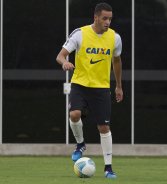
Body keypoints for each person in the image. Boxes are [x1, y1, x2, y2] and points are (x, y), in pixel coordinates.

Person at [56, 2, 123, 179]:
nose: (108, 22)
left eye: (110, 18)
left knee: (104, 127)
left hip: (101, 88)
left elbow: (117, 61)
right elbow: (60, 55)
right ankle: (80, 144)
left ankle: (108, 168)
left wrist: (118, 86)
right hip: (80, 84)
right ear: (96, 17)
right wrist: (65, 63)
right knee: (74, 114)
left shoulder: (115, 38)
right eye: (104, 18)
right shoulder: (80, 33)